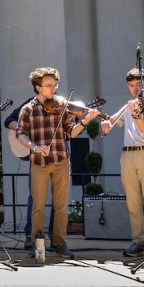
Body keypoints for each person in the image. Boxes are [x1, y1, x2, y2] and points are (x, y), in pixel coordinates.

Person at [15, 67, 99, 260]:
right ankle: (38, 243)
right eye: (49, 85)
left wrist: (86, 120)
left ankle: (60, 243)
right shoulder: (28, 109)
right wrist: (35, 147)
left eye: (55, 85)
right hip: (39, 161)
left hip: (61, 160)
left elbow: (72, 132)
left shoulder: (62, 106)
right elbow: (20, 133)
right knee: (38, 205)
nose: (54, 89)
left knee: (61, 206)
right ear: (38, 88)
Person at [101, 68, 144, 256]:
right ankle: (137, 241)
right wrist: (104, 121)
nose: (135, 89)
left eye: (139, 85)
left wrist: (136, 112)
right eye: (131, 86)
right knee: (133, 203)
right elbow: (112, 122)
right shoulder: (130, 105)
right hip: (128, 154)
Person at [3, 103, 37, 252]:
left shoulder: (61, 104)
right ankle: (30, 235)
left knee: (58, 199)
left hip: (57, 155)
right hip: (36, 157)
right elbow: (8, 120)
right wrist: (23, 132)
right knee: (34, 196)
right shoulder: (31, 103)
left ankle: (56, 237)